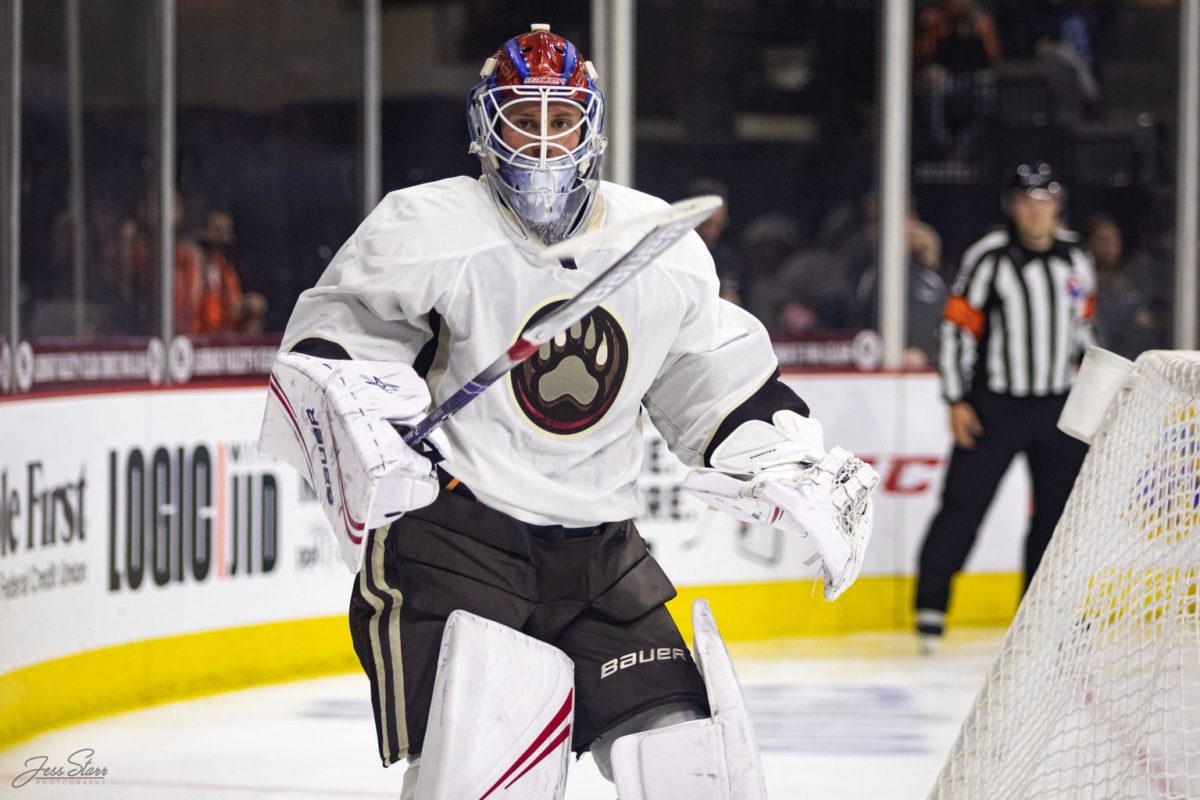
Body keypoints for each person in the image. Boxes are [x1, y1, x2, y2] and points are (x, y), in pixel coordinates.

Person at [258, 24, 878, 797]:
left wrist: (784, 454)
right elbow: (331, 350)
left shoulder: (657, 244)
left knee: (688, 764)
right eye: (525, 118)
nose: (545, 142)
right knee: (486, 773)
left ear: (592, 126)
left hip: (599, 556)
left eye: (562, 120)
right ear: (489, 127)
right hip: (456, 541)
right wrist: (367, 427)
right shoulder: (428, 226)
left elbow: (714, 380)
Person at [915, 162, 1094, 651]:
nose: (1036, 212)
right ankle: (930, 609)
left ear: (1057, 205)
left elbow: (1085, 332)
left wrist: (1094, 395)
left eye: (1045, 201)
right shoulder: (990, 257)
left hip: (1058, 407)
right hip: (995, 406)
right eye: (1026, 202)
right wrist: (956, 399)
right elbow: (956, 329)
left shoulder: (1077, 257)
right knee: (963, 506)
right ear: (1012, 208)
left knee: (1057, 517)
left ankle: (1038, 617)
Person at [175, 210, 267, 335]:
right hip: (191, 338)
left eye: (227, 232)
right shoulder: (183, 262)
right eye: (217, 231)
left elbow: (233, 307)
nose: (223, 239)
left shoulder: (224, 268)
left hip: (217, 341)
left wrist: (246, 304)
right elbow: (181, 307)